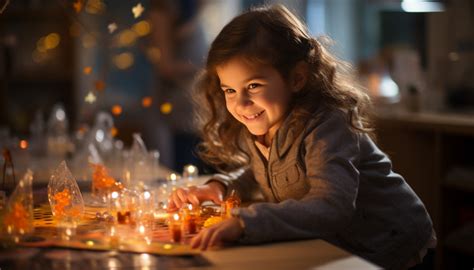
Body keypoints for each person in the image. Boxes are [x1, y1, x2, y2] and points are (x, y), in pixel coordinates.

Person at [168, 4, 436, 269]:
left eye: (253, 86)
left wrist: (245, 222)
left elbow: (331, 206)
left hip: (395, 247)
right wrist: (219, 187)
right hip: (341, 247)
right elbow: (261, 174)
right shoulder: (265, 121)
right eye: (230, 91)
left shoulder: (328, 126)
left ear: (297, 78)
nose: (241, 103)